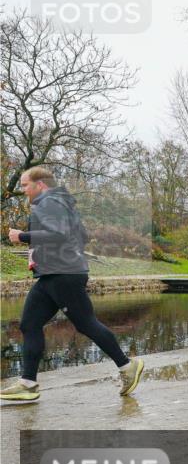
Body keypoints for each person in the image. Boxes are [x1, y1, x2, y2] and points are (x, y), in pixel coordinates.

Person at [1, 167, 144, 402]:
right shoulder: (59, 202)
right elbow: (80, 235)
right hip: (52, 274)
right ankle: (27, 383)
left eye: (25, 185)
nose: (23, 190)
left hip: (63, 274)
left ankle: (127, 366)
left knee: (86, 323)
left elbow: (59, 235)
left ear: (40, 184)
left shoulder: (49, 202)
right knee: (29, 324)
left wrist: (23, 236)